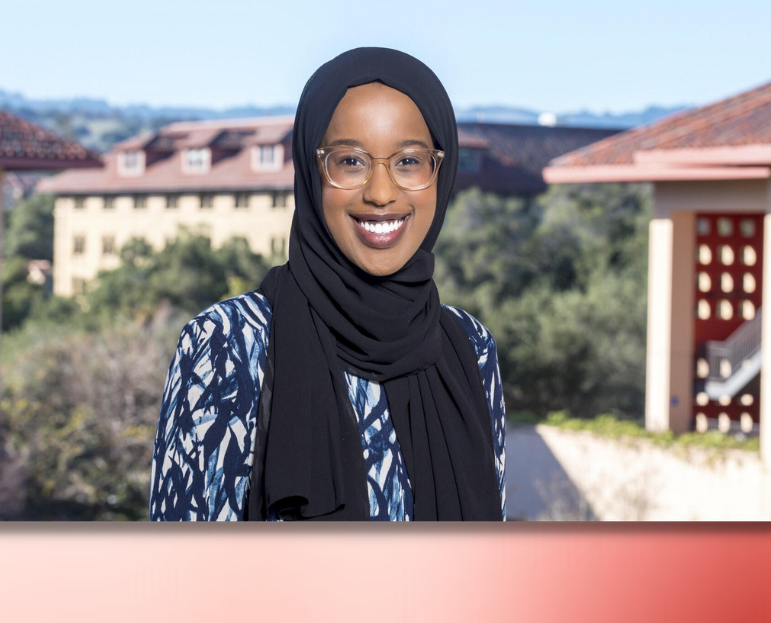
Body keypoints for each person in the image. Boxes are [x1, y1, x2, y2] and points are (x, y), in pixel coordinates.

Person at [149, 47, 505, 521]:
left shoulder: (469, 348)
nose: (381, 193)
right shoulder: (230, 344)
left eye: (409, 162)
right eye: (351, 162)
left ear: (443, 172)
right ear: (311, 172)